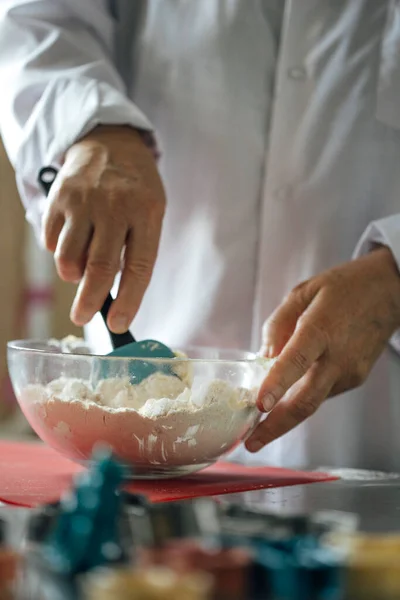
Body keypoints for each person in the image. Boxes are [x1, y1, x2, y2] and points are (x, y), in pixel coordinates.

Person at [1, 0, 400, 470]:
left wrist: (394, 277)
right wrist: (90, 124)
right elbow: (41, 17)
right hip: (142, 443)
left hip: (376, 430)